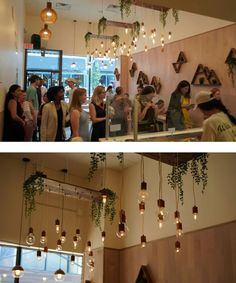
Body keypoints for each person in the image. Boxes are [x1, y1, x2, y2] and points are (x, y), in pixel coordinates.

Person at [26, 75, 40, 141]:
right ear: (36, 80)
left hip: (33, 109)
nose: (39, 81)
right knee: (33, 127)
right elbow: (30, 101)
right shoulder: (32, 89)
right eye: (38, 80)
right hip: (33, 109)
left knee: (33, 127)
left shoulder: (31, 88)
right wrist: (33, 113)